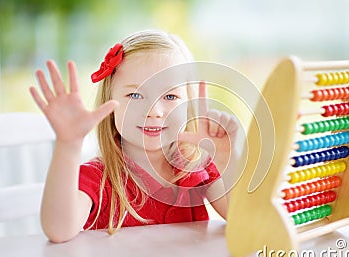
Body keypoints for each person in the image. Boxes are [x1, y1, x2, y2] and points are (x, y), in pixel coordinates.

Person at [29, 29, 239, 243]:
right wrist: (69, 145)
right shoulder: (99, 178)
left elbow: (242, 220)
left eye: (170, 96)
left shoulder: (197, 168)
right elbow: (58, 229)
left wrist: (227, 161)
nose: (154, 111)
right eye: (135, 95)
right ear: (109, 103)